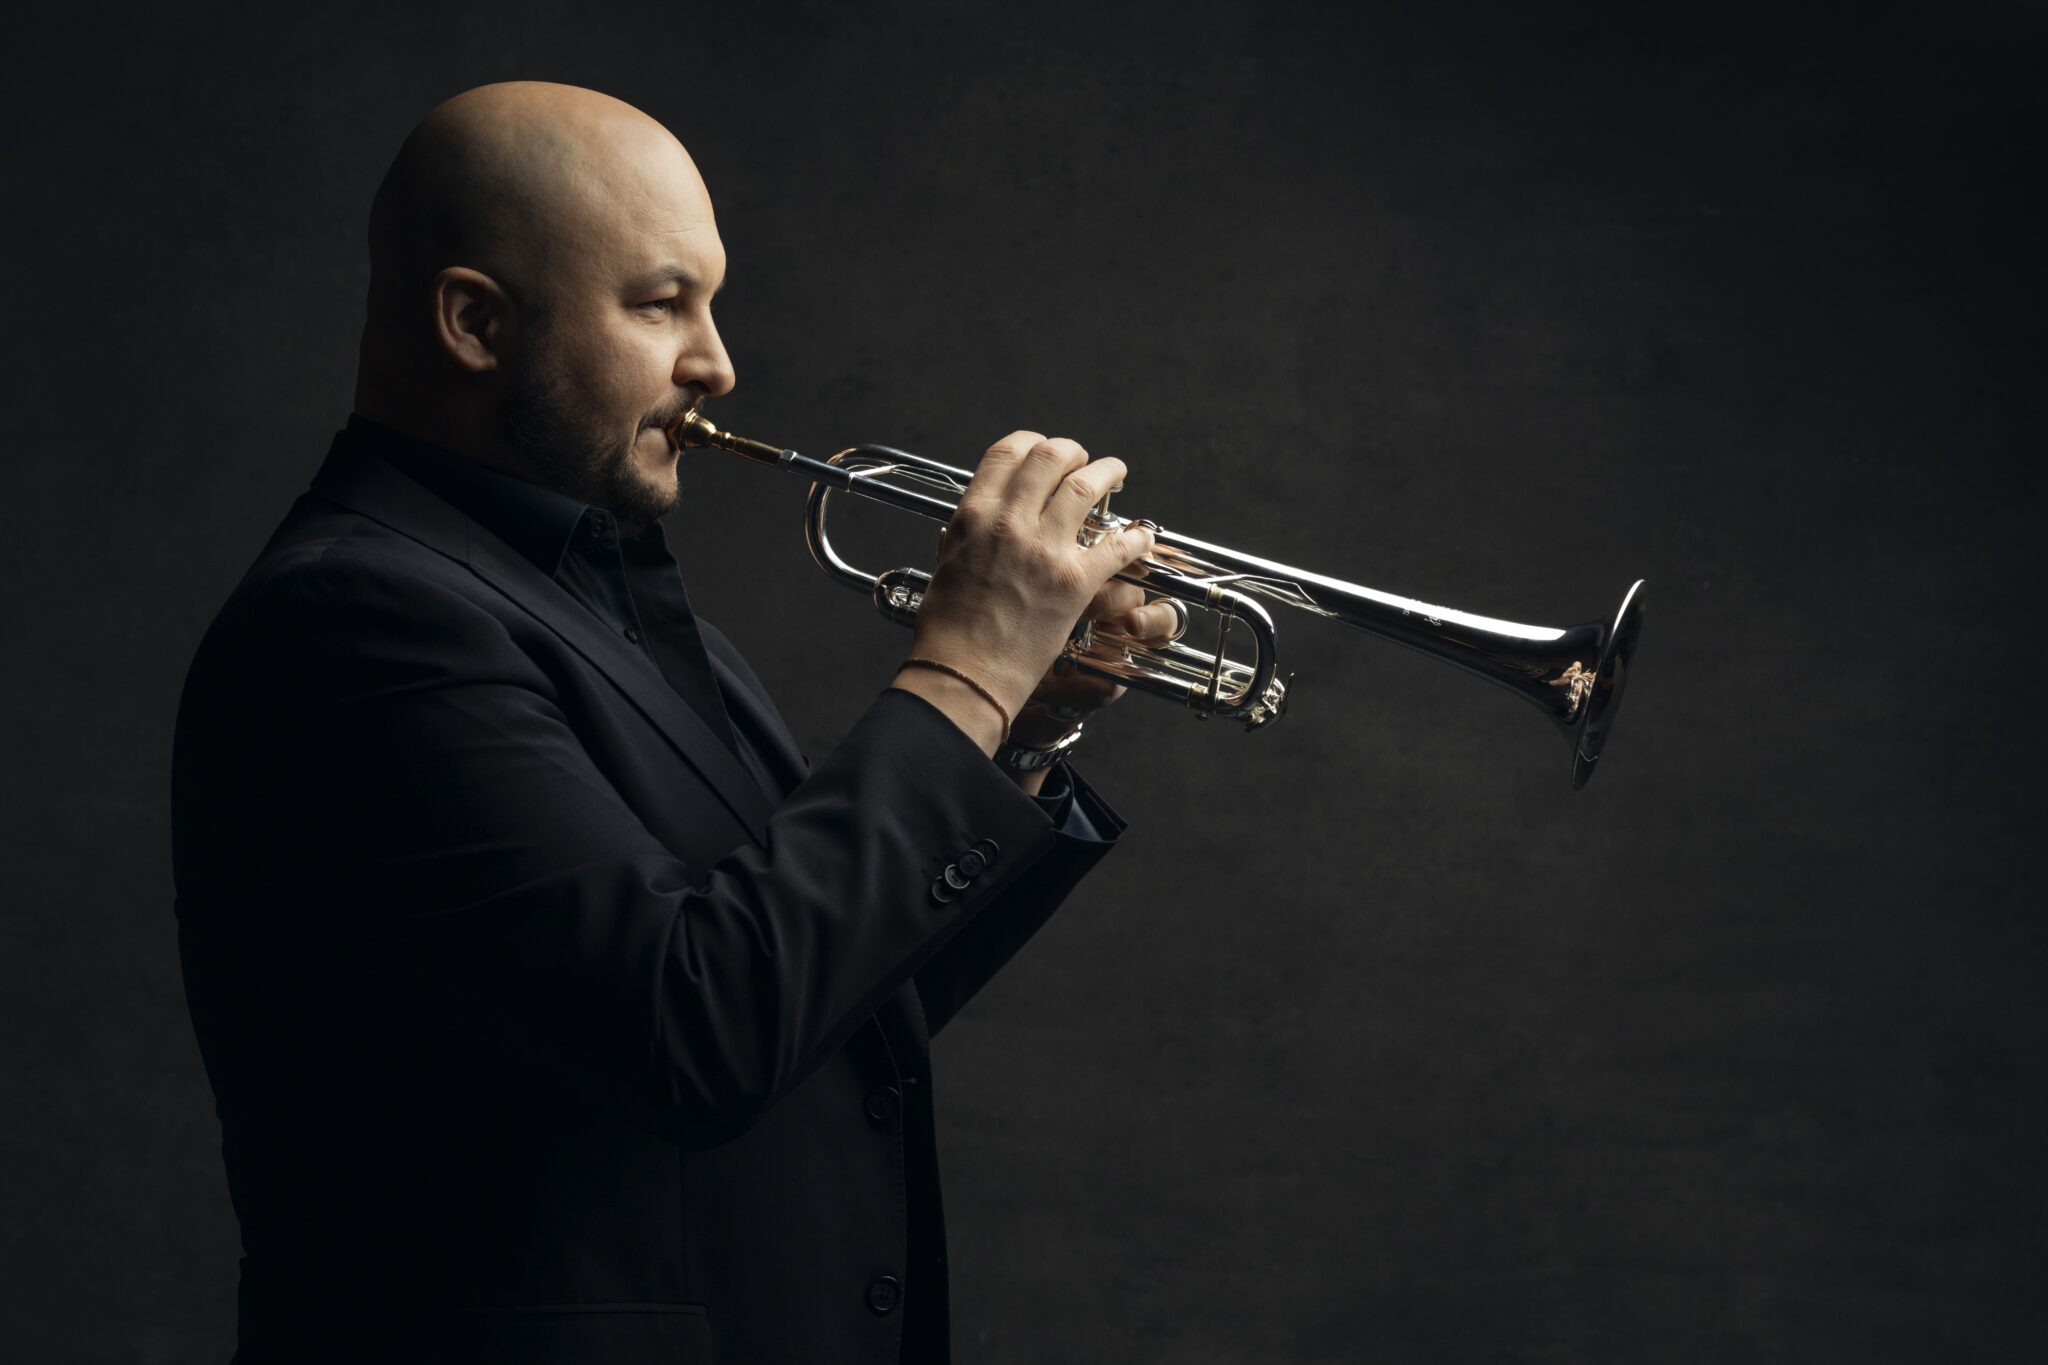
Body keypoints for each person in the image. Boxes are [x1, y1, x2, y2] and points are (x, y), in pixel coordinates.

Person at [172, 81, 1175, 1364]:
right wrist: (965, 674)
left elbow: (828, 1012)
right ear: (475, 323)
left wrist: (1013, 735)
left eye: (709, 304)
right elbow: (695, 1030)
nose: (716, 363)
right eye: (659, 305)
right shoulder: (354, 621)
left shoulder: (610, 607)